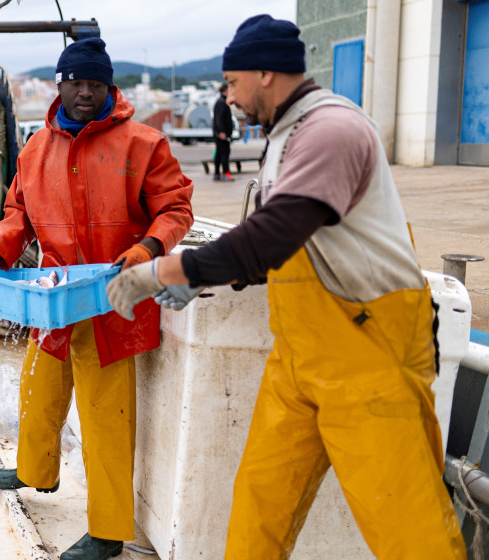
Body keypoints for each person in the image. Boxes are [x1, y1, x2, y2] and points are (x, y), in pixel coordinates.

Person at [106, 15, 465, 559]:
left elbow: (273, 235)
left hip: (369, 355)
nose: (227, 96)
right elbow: (294, 247)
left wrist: (166, 271)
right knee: (260, 504)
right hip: (298, 356)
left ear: (266, 72)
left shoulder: (331, 131)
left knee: (405, 523)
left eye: (231, 82)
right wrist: (215, 276)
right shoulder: (284, 136)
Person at [0, 38, 193, 560]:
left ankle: (110, 532)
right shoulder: (35, 148)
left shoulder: (144, 143)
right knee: (37, 389)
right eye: (76, 81)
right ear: (59, 84)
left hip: (113, 301)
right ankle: (34, 471)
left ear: (108, 86)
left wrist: (146, 249)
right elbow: (18, 215)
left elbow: (175, 208)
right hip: (51, 299)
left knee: (105, 419)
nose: (85, 92)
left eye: (95, 83)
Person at [211, 83, 234, 181]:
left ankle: (217, 173)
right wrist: (222, 131)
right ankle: (226, 173)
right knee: (225, 153)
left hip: (219, 133)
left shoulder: (219, 101)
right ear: (225, 91)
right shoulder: (222, 102)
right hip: (222, 134)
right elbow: (219, 118)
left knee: (219, 153)